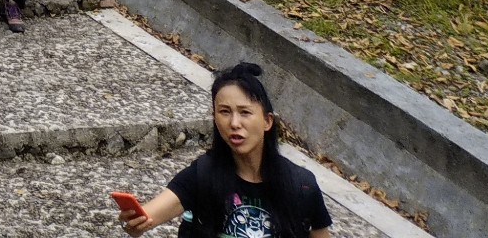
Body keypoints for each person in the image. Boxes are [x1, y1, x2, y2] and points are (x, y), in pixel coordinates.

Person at [117, 62, 333, 237]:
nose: (234, 123)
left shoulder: (302, 184)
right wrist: (135, 221)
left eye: (245, 112)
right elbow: (148, 215)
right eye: (224, 111)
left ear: (268, 121)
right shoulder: (202, 175)